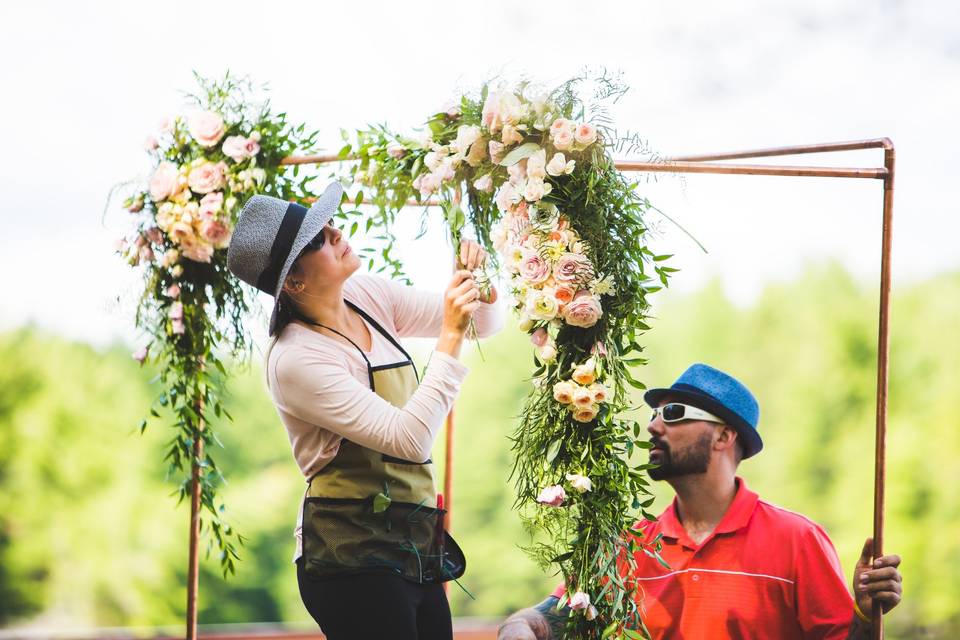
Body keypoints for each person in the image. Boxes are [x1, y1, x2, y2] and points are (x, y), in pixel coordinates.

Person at [227, 183, 502, 640]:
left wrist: (479, 281)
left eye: (326, 224)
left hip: (410, 543)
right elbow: (410, 441)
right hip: (350, 556)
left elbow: (484, 324)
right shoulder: (296, 359)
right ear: (292, 282)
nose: (335, 233)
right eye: (317, 239)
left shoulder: (367, 294)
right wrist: (449, 334)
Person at [498, 363, 903, 640]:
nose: (654, 426)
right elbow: (546, 620)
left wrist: (865, 615)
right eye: (655, 414)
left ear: (724, 436)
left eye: (673, 413)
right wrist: (517, 626)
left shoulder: (797, 539)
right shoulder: (628, 545)